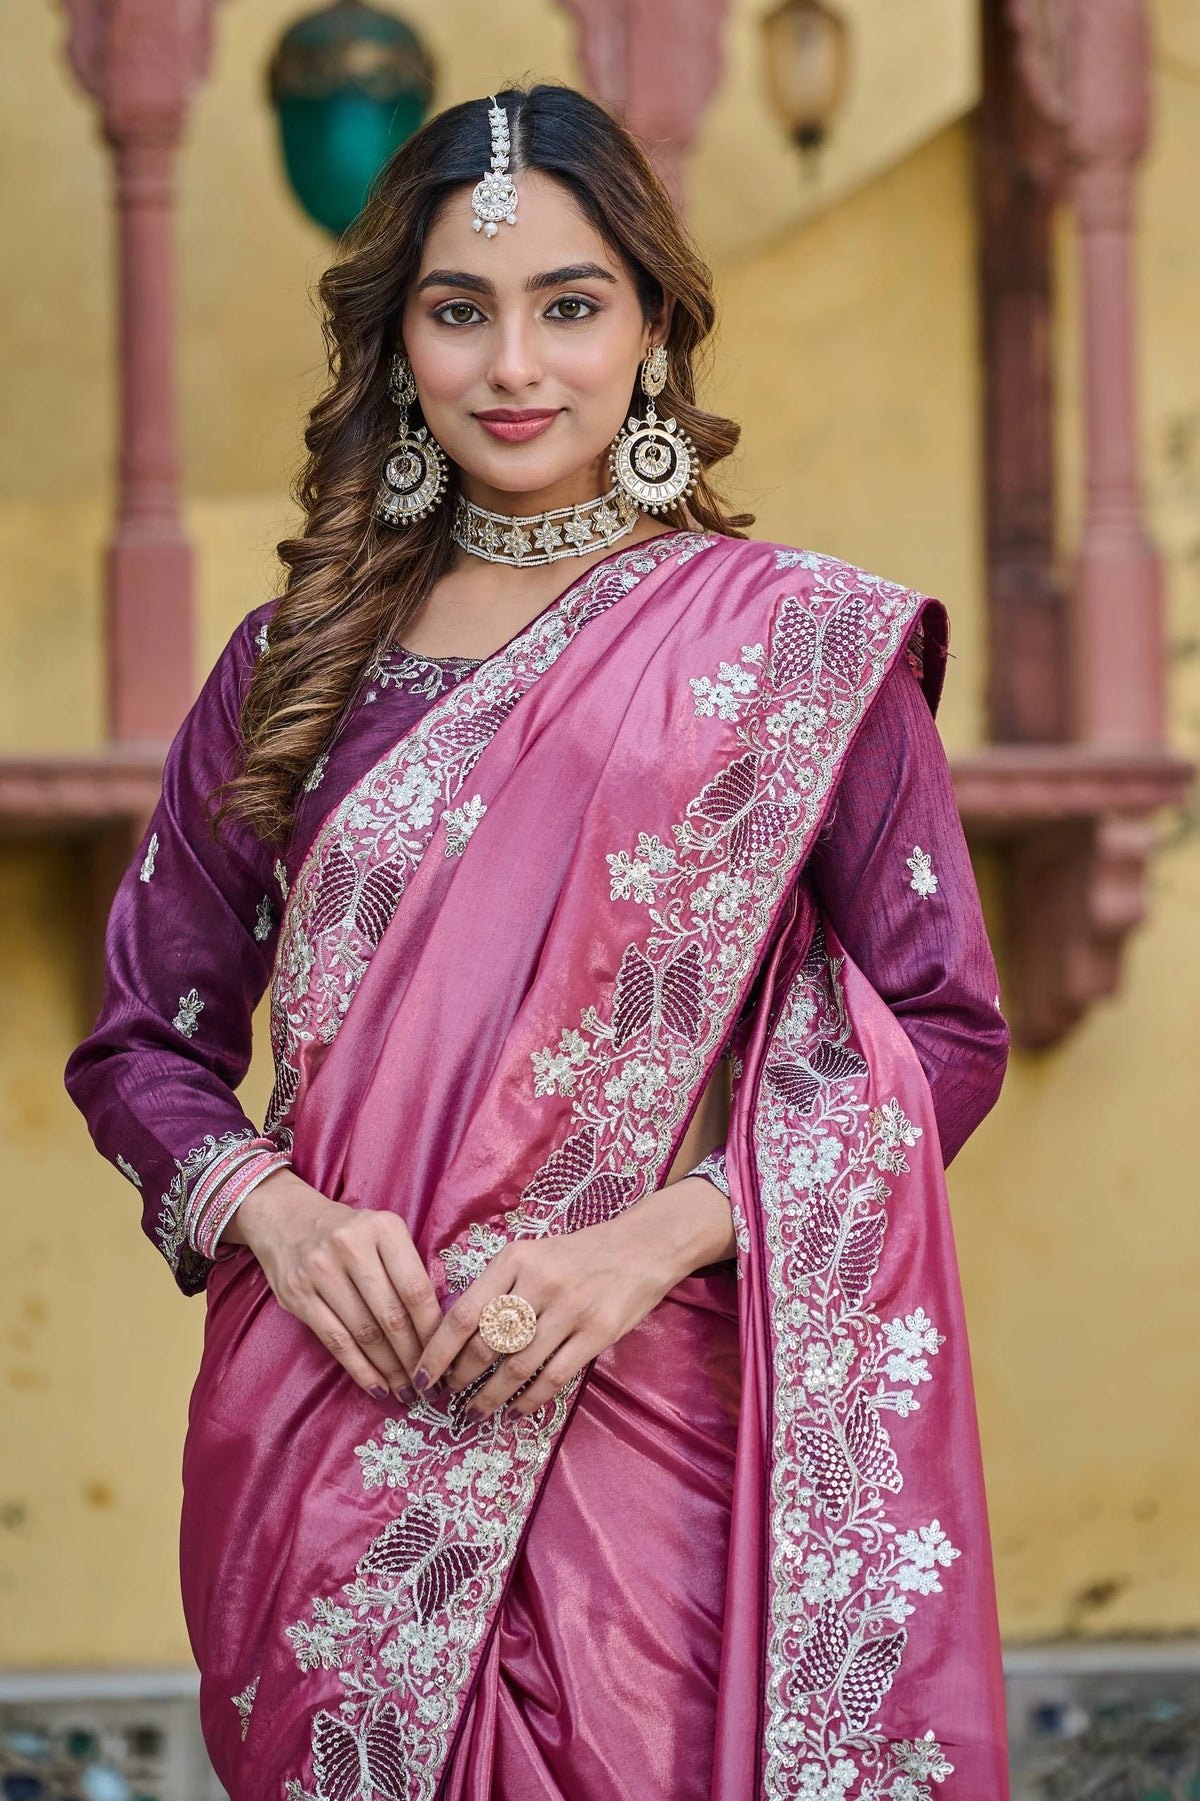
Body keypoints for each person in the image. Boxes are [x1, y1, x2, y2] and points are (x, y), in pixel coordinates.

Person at [66, 83, 1011, 1801]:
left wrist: (648, 1241)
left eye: (570, 305)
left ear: (650, 327)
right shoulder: (295, 665)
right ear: (399, 342)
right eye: (459, 309)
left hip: (653, 1445)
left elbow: (942, 1031)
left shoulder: (791, 651)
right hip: (333, 1427)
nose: (516, 364)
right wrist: (272, 1210)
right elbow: (144, 1038)